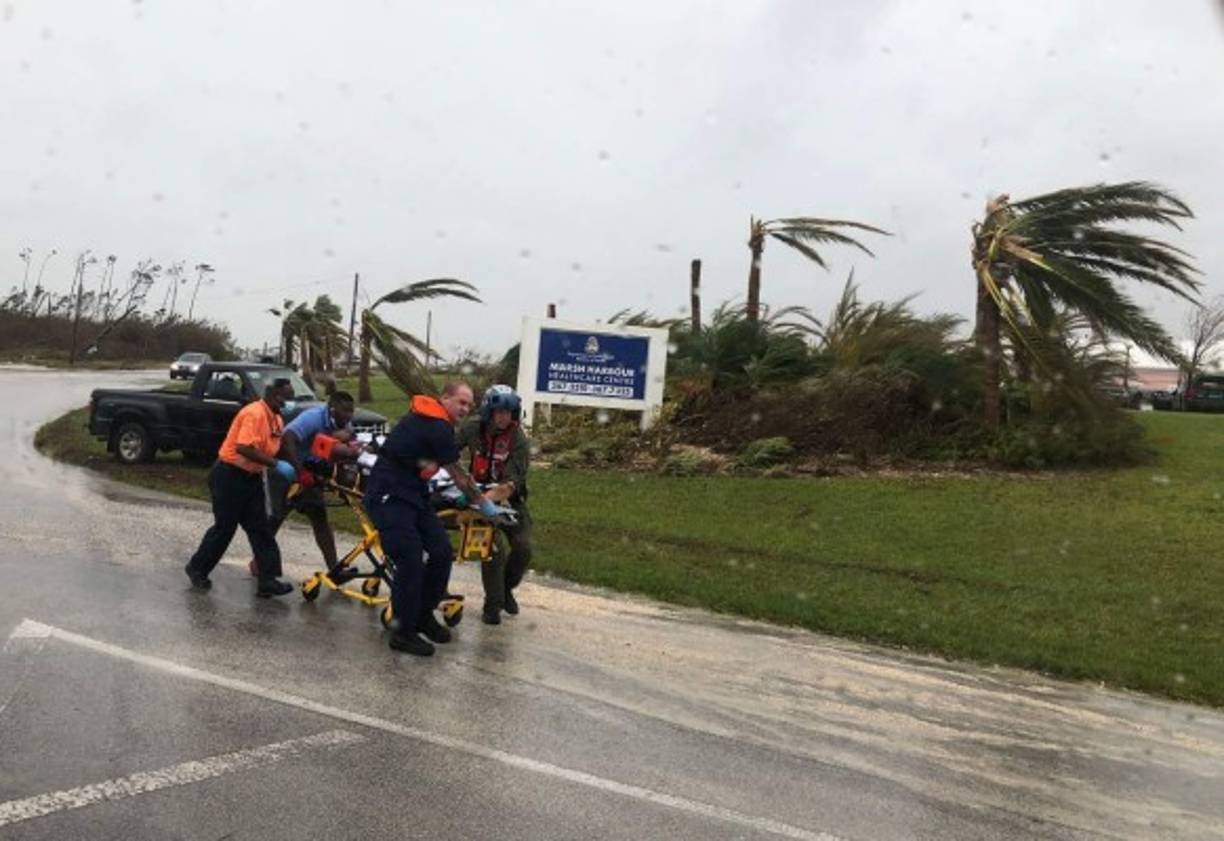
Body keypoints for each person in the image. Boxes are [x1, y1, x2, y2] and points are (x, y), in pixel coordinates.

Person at [364, 382, 499, 656]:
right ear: (444, 398)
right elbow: (458, 473)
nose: (465, 409)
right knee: (410, 558)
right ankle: (402, 632)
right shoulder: (436, 426)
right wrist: (483, 503)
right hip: (389, 495)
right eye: (461, 402)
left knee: (441, 551)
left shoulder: (435, 423)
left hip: (415, 494)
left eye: (469, 405)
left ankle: (423, 615)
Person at [184, 379, 296, 597]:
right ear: (273, 396)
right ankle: (197, 568)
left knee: (260, 528)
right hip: (229, 475)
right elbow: (244, 448)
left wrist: (294, 465)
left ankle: (268, 580)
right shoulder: (254, 414)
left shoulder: (276, 419)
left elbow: (275, 446)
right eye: (287, 398)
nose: (289, 403)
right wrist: (275, 464)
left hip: (252, 477)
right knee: (225, 527)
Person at [250, 391, 362, 580]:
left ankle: (334, 570)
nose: (349, 415)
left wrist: (354, 449)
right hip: (284, 470)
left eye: (351, 411)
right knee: (276, 518)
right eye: (345, 411)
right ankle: (259, 563)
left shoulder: (344, 424)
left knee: (319, 518)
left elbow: (341, 447)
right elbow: (287, 438)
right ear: (332, 409)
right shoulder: (313, 417)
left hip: (310, 474)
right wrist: (299, 471)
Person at [456, 384, 533, 625]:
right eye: (499, 412)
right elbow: (447, 452)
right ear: (489, 412)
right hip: (477, 497)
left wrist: (485, 500)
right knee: (493, 549)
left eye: (509, 412)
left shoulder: (519, 440)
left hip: (508, 499)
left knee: (523, 547)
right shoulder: (472, 428)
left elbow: (510, 485)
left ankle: (506, 588)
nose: (504, 417)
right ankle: (493, 605)